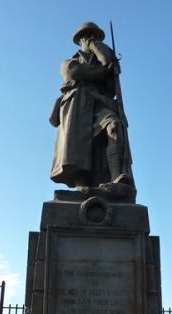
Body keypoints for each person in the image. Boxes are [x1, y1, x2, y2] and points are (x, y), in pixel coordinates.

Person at [50, 22, 134, 191]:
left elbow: (110, 86)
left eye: (94, 36)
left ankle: (116, 176)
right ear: (79, 40)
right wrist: (104, 72)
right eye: (86, 36)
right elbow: (74, 72)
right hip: (78, 106)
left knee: (114, 126)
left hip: (100, 103)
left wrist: (99, 50)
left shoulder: (102, 59)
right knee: (78, 149)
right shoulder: (69, 61)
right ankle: (82, 184)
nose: (90, 38)